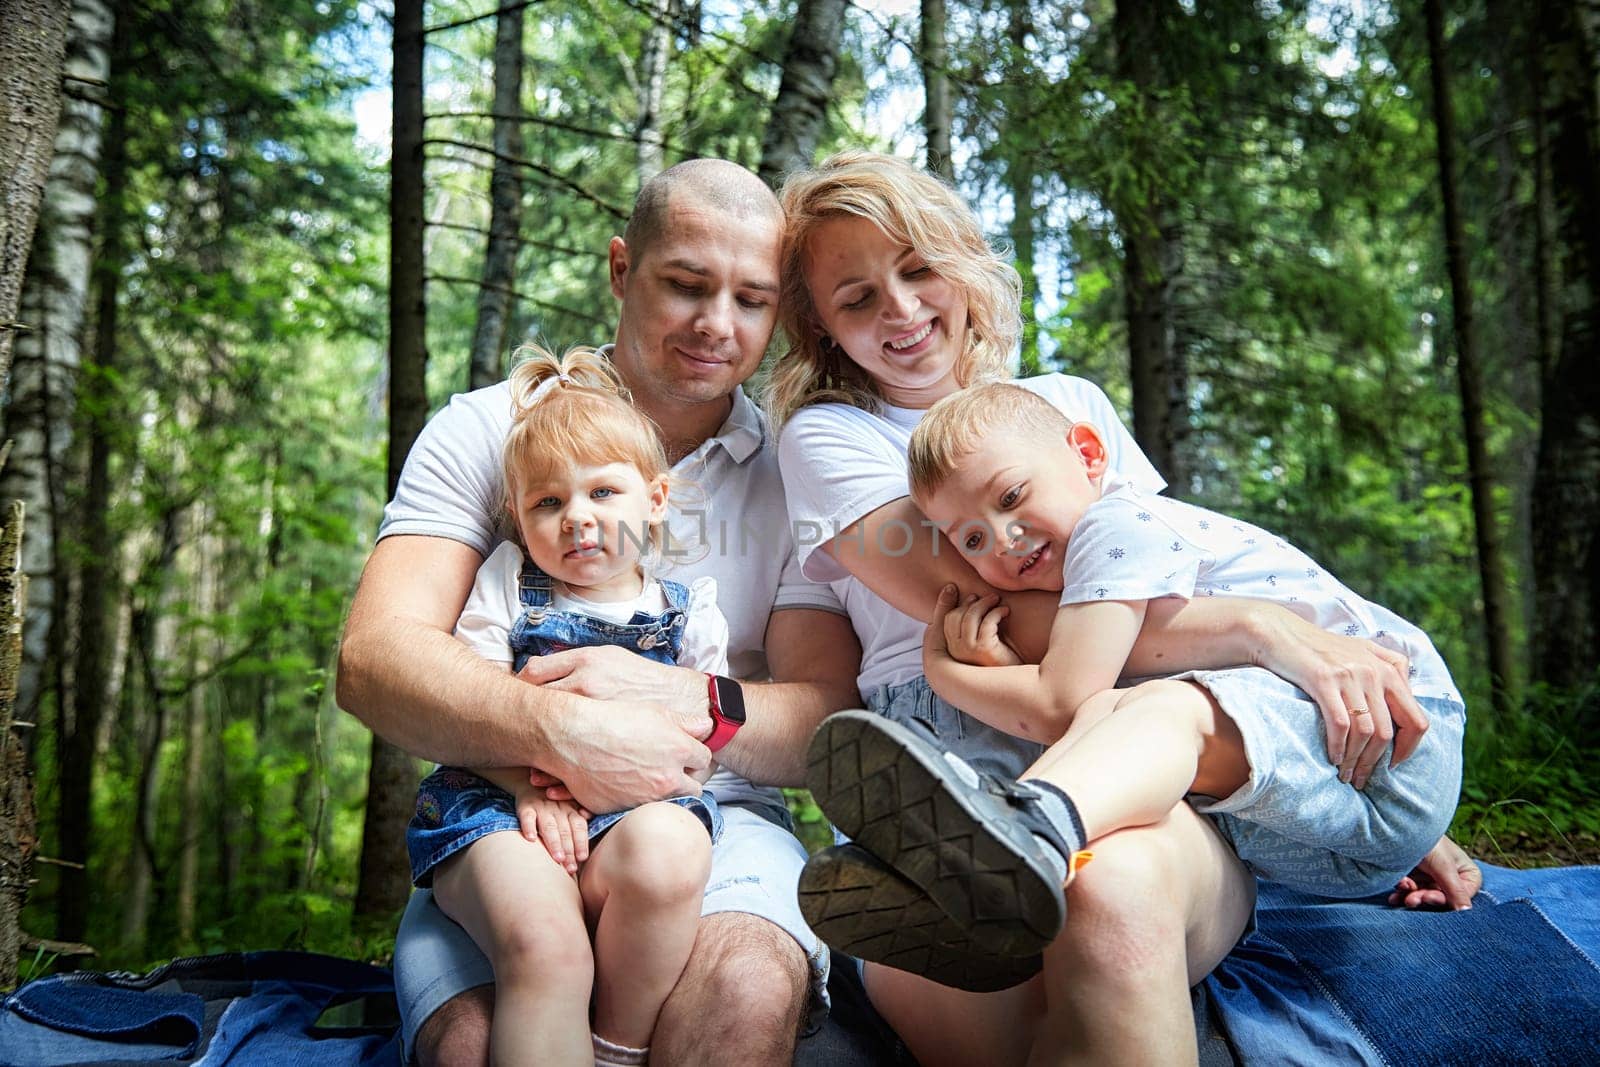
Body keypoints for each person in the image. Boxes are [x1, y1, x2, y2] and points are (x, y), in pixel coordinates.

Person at [766, 150, 1476, 1064]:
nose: (900, 310)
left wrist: (1355, 786)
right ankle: (1002, 861)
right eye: (856, 297)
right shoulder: (830, 436)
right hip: (947, 761)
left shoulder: (1065, 404)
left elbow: (1143, 597)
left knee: (1113, 899)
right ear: (820, 325)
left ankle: (1040, 832)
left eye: (916, 268)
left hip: (1127, 740)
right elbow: (1008, 617)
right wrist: (1271, 633)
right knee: (1015, 1018)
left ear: (962, 258)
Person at [337, 158, 863, 1066]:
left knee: (739, 997)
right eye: (686, 285)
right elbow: (375, 656)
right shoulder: (490, 429)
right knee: (472, 1043)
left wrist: (686, 700)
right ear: (622, 270)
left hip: (718, 815)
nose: (716, 325)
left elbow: (828, 710)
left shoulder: (796, 466)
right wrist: (555, 733)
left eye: (752, 299)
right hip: (507, 807)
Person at [888, 381, 1463, 964]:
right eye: (973, 539)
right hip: (1313, 830)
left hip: (1392, 736)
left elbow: (1057, 701)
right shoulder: (1086, 585)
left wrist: (943, 671)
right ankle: (991, 865)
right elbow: (1077, 710)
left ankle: (1021, 839)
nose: (1005, 539)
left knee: (1157, 709)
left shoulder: (1117, 526)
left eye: (1011, 495)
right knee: (1110, 716)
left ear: (1087, 454)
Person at [404, 348, 739, 1066]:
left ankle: (613, 1048)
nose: (577, 520)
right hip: (498, 805)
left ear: (654, 500)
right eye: (549, 502)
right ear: (520, 521)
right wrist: (527, 783)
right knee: (548, 947)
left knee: (676, 850)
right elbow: (467, 707)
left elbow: (703, 741)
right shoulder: (508, 584)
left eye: (603, 494)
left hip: (629, 808)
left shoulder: (689, 613)